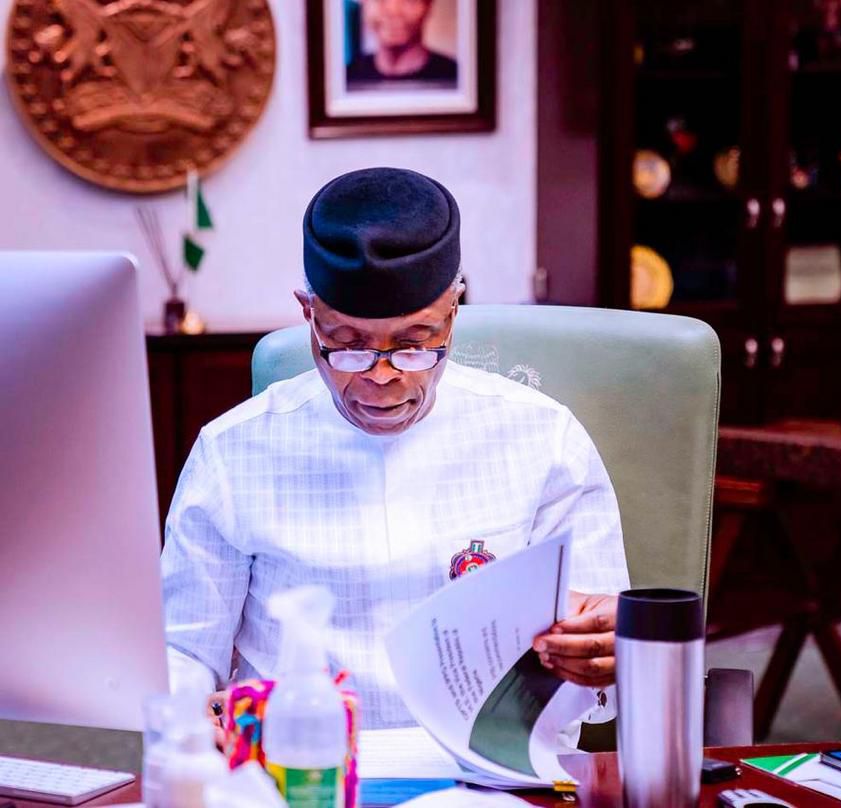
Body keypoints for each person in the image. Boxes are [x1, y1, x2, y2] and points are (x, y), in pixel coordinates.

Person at [161, 167, 630, 731]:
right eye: (348, 345)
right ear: (308, 312)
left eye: (413, 345)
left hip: (490, 779)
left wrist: (607, 654)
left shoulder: (544, 439)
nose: (381, 377)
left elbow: (608, 666)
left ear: (454, 309)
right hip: (298, 771)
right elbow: (183, 652)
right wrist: (186, 716)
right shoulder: (232, 453)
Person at [346, 0, 457, 87]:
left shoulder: (456, 79)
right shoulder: (346, 80)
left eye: (409, 0)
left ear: (428, 6)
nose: (393, 11)